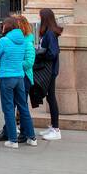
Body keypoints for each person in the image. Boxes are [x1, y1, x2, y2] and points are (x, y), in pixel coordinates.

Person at [0, 16, 35, 148]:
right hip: (20, 77)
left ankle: (12, 139)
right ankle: (32, 137)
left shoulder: (4, 40)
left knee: (9, 108)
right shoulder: (23, 40)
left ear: (6, 27)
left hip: (6, 76)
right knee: (23, 107)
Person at [35, 8, 63, 140]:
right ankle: (53, 126)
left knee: (51, 98)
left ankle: (56, 129)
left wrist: (40, 53)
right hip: (49, 69)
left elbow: (53, 52)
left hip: (49, 70)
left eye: (40, 17)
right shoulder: (48, 33)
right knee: (50, 97)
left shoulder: (50, 34)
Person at [11, 14, 37, 145]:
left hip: (24, 77)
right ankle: (12, 129)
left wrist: (14, 62)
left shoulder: (27, 42)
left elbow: (29, 62)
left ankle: (25, 132)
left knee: (21, 106)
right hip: (16, 75)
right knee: (15, 105)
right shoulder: (17, 41)